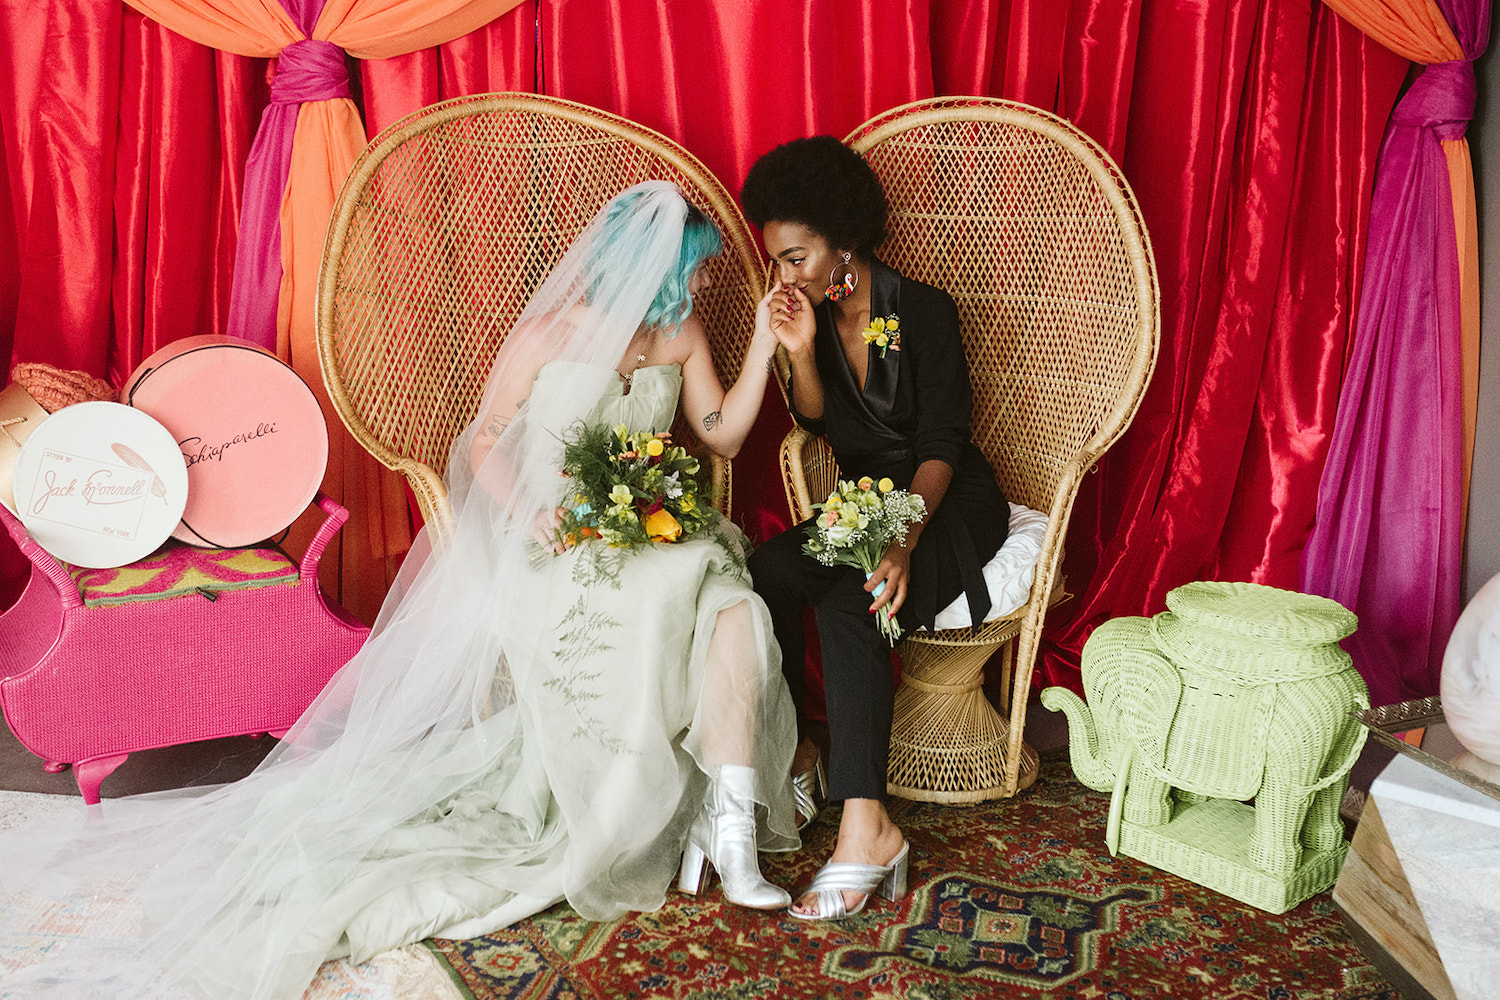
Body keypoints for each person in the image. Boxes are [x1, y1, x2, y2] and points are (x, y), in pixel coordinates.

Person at [0, 181, 799, 1000]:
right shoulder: (548, 335)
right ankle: (667, 812)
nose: (706, 284)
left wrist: (766, 352)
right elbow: (486, 438)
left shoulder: (682, 335)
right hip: (551, 542)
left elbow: (720, 435)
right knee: (690, 591)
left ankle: (728, 830)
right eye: (695, 269)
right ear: (654, 266)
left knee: (728, 599)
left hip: (650, 531)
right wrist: (528, 512)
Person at [741, 137, 1010, 921]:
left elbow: (938, 444)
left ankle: (870, 830)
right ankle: (799, 748)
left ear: (842, 241)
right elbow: (827, 425)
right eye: (779, 262)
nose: (787, 277)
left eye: (796, 257)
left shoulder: (916, 312)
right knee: (769, 572)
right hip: (870, 495)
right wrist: (799, 354)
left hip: (943, 497)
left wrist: (905, 538)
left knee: (851, 603)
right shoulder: (821, 317)